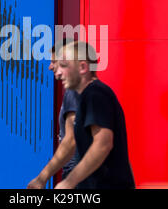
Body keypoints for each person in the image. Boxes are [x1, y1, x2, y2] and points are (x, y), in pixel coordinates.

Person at [54, 41, 135, 189]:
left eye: (64, 65)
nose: (58, 72)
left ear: (83, 67)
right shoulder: (91, 96)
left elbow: (103, 144)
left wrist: (69, 182)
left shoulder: (95, 95)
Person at [27, 42, 80, 189]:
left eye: (54, 62)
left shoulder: (73, 93)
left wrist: (42, 178)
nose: (50, 67)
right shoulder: (89, 91)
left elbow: (71, 141)